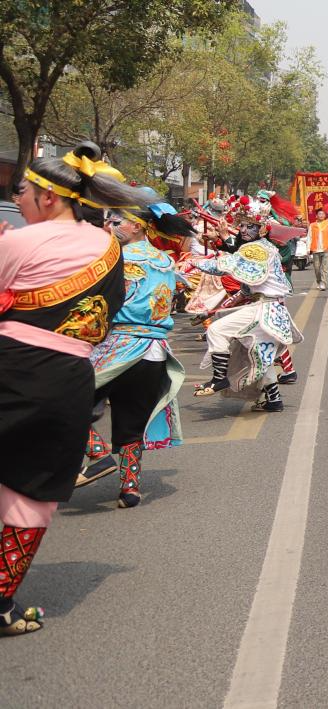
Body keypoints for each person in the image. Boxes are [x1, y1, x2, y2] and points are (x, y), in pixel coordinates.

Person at [0, 142, 159, 635]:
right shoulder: (109, 247)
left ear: (49, 198)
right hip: (70, 378)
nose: (18, 199)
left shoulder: (20, 243)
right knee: (34, 490)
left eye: (22, 191)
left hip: (12, 366)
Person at [77, 200, 190, 507]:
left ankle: (98, 454)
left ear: (137, 226)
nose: (110, 227)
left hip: (120, 345)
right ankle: (130, 488)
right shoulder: (165, 261)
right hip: (153, 352)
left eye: (116, 222)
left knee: (62, 400)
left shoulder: (115, 259)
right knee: (131, 420)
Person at [192, 230, 302, 412]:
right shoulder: (259, 247)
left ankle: (219, 379)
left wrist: (192, 262)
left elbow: (222, 266)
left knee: (217, 330)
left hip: (265, 308)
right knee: (260, 356)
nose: (243, 228)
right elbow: (244, 292)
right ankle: (274, 400)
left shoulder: (258, 249)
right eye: (241, 224)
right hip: (267, 307)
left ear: (262, 229)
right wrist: (211, 312)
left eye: (249, 225)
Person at [307, 208, 328, 290]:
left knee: (324, 268)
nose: (321, 215)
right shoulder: (312, 225)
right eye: (319, 214)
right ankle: (319, 281)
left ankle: (323, 283)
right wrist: (308, 248)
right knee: (317, 268)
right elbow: (309, 237)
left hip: (326, 248)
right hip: (315, 249)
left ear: (325, 216)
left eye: (323, 214)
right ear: (316, 216)